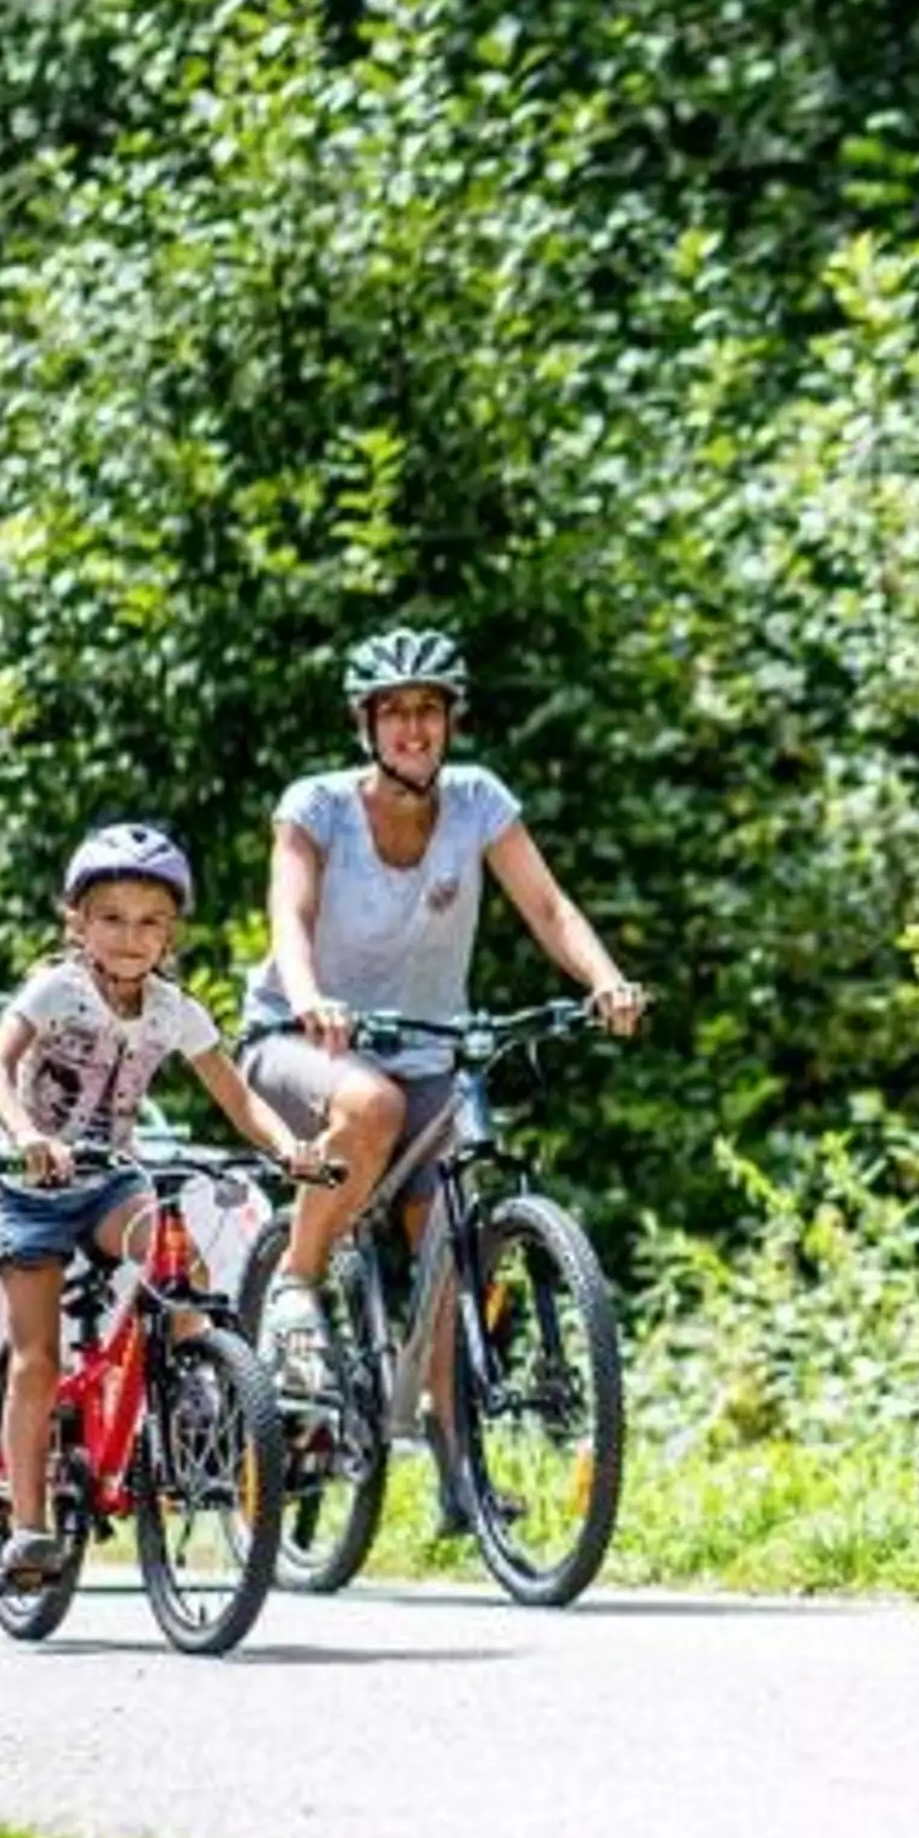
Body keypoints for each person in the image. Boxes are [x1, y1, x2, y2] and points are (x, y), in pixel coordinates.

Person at [241, 626, 644, 1523]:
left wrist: (604, 978)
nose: (414, 729)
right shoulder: (317, 806)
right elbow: (289, 916)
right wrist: (310, 996)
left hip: (428, 1046)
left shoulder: (476, 802)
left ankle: (453, 1455)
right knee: (370, 1104)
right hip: (301, 1045)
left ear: (449, 721)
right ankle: (298, 1283)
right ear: (367, 726)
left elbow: (547, 904)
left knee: (461, 1231)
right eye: (396, 714)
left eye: (429, 711)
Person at [0, 824, 322, 1589]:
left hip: (110, 1182)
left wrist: (287, 1148)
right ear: (78, 923)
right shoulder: (54, 991)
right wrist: (26, 1132)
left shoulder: (174, 1010)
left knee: (178, 1257)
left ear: (171, 934)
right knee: (36, 1359)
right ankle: (29, 1528)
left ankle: (192, 1384)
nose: (132, 937)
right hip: (37, 1190)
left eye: (150, 921)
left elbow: (239, 1098)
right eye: (113, 918)